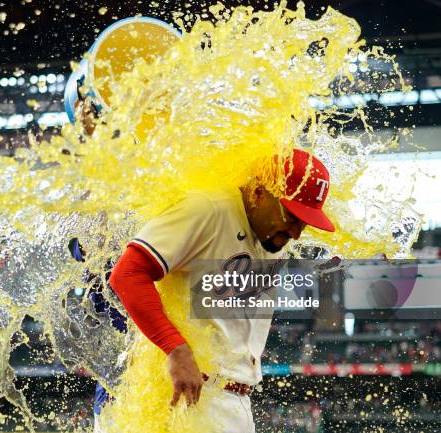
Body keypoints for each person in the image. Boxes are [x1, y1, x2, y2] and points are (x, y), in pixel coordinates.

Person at [96, 148, 336, 433]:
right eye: (291, 216)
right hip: (187, 395)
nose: (296, 233)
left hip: (237, 400)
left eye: (304, 223)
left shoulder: (273, 237)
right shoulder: (206, 209)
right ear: (259, 192)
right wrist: (176, 349)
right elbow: (127, 274)